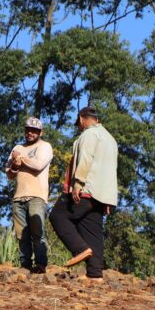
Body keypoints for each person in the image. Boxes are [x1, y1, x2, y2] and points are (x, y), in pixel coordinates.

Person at [50, 107, 118, 282]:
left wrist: (77, 184)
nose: (79, 127)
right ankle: (95, 274)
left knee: (57, 215)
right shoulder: (110, 139)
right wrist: (110, 199)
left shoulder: (89, 135)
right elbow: (112, 169)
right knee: (91, 230)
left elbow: (85, 159)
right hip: (102, 195)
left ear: (82, 119)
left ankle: (79, 249)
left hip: (87, 189)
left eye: (79, 124)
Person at [5, 117, 53, 273]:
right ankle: (25, 265)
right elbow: (9, 173)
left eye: (34, 130)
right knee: (21, 234)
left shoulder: (45, 146)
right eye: (28, 130)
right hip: (19, 196)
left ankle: (40, 265)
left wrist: (20, 158)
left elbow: (38, 165)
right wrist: (15, 165)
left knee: (37, 231)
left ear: (40, 132)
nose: (31, 133)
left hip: (37, 195)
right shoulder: (17, 147)